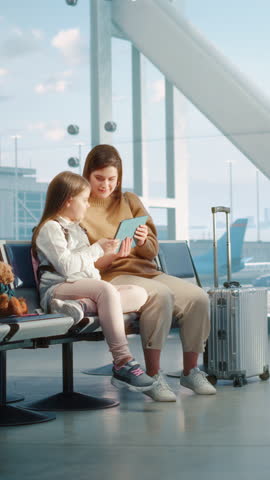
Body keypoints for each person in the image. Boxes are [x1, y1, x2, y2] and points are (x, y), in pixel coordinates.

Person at [82, 144, 216, 402]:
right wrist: (109, 252)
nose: (106, 185)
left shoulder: (129, 200)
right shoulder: (81, 206)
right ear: (88, 174)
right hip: (111, 276)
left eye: (112, 179)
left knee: (198, 297)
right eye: (99, 178)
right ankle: (153, 375)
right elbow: (85, 262)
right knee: (160, 295)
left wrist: (143, 241)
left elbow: (152, 250)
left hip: (146, 270)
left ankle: (190, 371)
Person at [32, 171, 157, 394]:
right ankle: (122, 361)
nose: (88, 205)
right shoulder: (51, 228)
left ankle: (81, 306)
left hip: (82, 288)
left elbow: (87, 268)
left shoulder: (77, 229)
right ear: (68, 200)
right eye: (84, 200)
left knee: (139, 294)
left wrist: (110, 254)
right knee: (106, 291)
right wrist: (98, 248)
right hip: (58, 288)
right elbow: (67, 267)